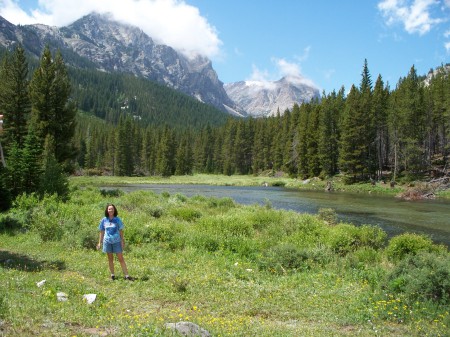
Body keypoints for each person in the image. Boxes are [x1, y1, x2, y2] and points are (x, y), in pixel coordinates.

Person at [97, 203, 134, 281]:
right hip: (107, 241)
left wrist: (122, 241)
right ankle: (112, 275)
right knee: (110, 259)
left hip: (117, 241)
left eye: (112, 209)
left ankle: (127, 276)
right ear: (107, 210)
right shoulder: (104, 220)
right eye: (109, 209)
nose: (111, 210)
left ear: (114, 210)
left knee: (121, 259)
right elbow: (101, 231)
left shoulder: (117, 219)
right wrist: (99, 243)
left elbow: (121, 231)